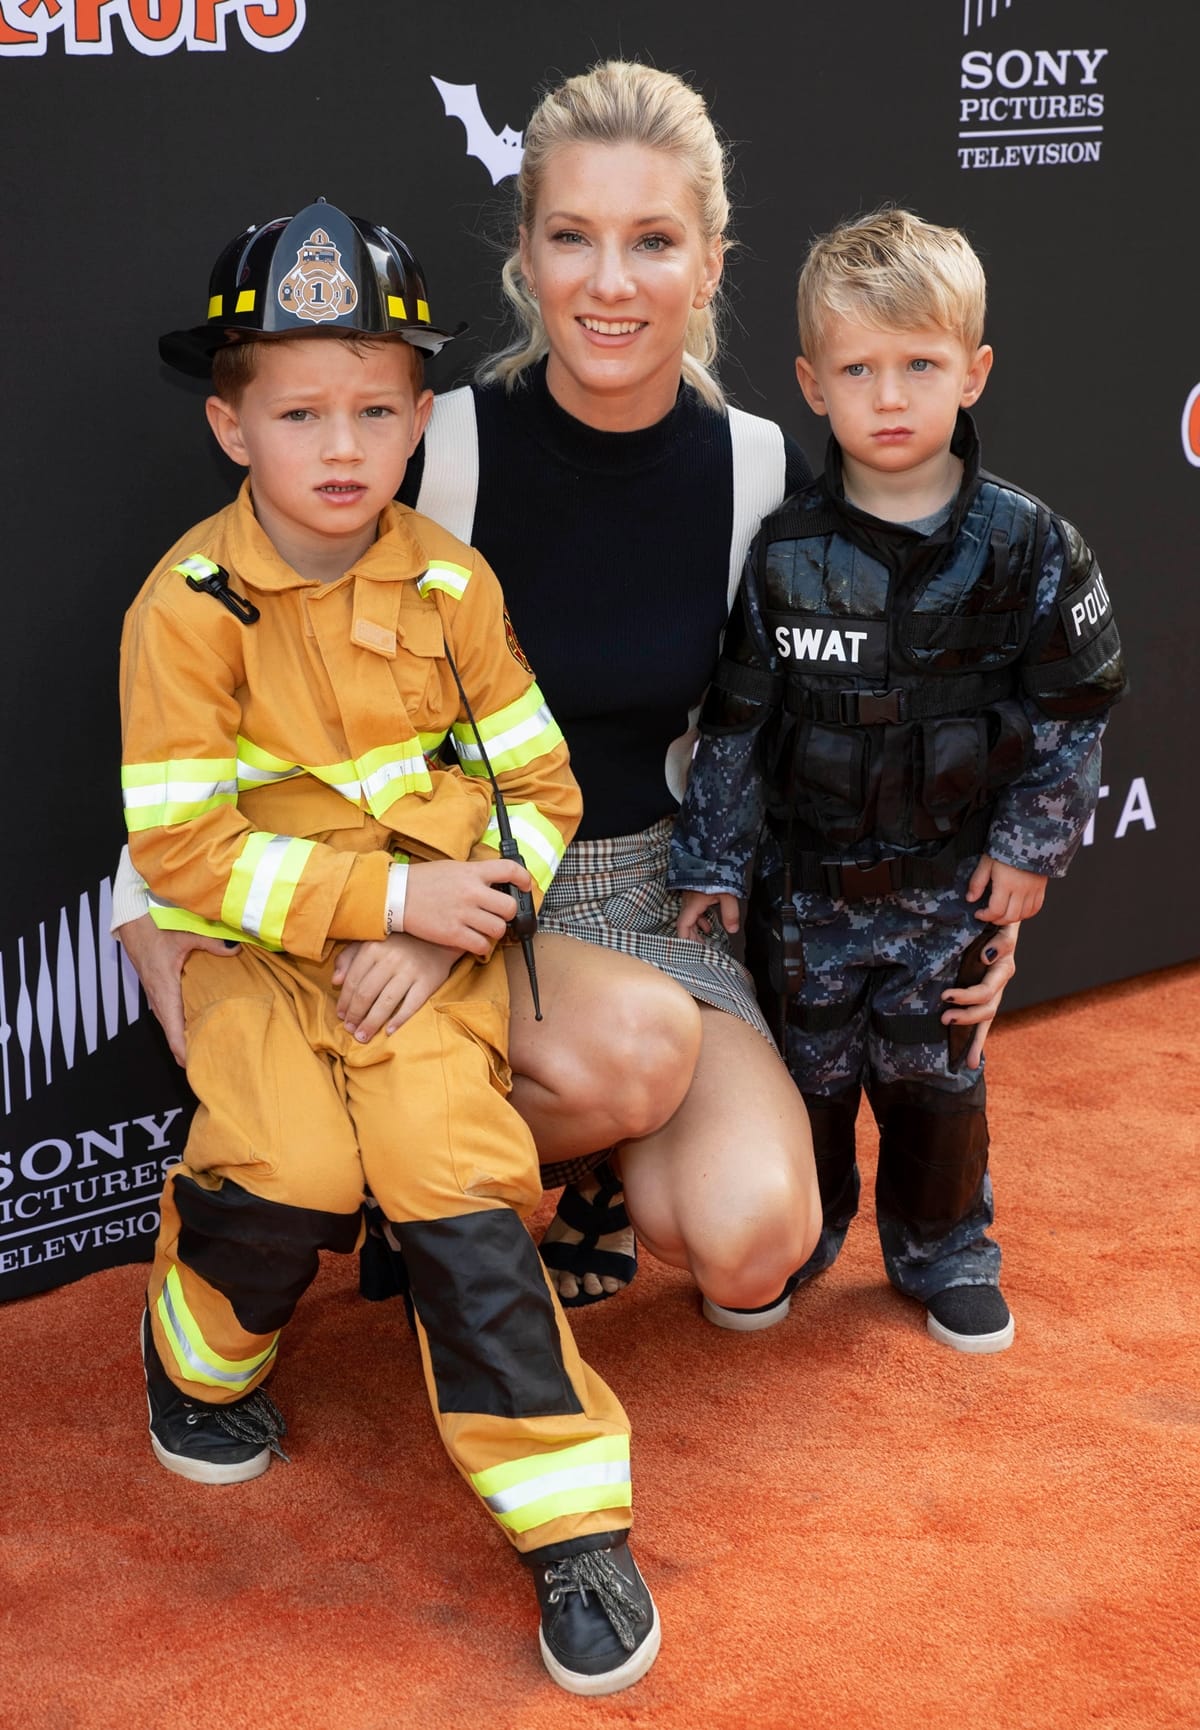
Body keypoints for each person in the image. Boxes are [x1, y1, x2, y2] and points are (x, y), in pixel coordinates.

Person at [114, 64, 1015, 1330]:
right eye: (572, 236)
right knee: (628, 1050)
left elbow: (842, 719)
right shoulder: (432, 441)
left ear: (708, 263)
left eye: (653, 240)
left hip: (648, 897)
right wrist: (143, 899)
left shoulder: (758, 466)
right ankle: (414, 1187)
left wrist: (969, 893)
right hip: (449, 879)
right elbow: (248, 650)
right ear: (524, 256)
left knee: (759, 1238)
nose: (609, 282)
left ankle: (572, 1165)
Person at [121, 199, 659, 1696]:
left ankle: (568, 1520)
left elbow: (540, 793)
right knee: (289, 1168)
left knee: (453, 1174)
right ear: (234, 428)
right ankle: (193, 1350)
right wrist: (388, 904)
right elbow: (179, 853)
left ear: (422, 417)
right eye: (299, 412)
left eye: (374, 408)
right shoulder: (180, 608)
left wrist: (453, 923)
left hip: (428, 955)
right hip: (257, 953)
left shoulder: (453, 584)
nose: (340, 445)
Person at [671, 207, 1126, 1351]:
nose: (889, 395)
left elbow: (1074, 709)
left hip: (951, 890)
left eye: (919, 364)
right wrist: (716, 869)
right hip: (806, 891)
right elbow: (733, 727)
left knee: (938, 1081)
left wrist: (1030, 849)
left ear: (971, 373)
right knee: (809, 1076)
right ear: (810, 384)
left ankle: (944, 1249)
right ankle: (799, 1237)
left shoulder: (1030, 546)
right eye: (858, 368)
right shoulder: (781, 554)